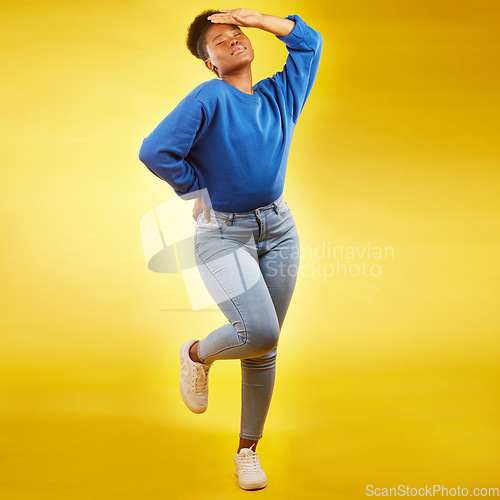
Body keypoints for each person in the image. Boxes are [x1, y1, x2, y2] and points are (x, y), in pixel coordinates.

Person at [138, 8, 322, 490]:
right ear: (209, 63)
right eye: (220, 42)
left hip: (279, 228)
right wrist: (196, 191)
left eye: (237, 34)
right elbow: (156, 150)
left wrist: (261, 19)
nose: (234, 41)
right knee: (259, 331)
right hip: (224, 233)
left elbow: (310, 44)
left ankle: (247, 451)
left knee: (264, 348)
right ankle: (196, 354)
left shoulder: (279, 95)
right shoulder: (211, 96)